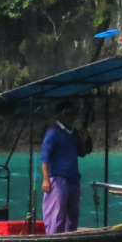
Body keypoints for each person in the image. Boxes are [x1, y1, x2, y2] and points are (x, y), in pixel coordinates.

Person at [40, 100, 92, 234]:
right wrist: (46, 180)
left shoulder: (73, 133)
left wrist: (84, 139)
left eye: (73, 114)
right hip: (58, 178)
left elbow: (82, 152)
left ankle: (70, 237)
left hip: (73, 178)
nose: (72, 117)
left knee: (73, 214)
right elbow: (45, 157)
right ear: (60, 115)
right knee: (57, 214)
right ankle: (54, 238)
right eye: (69, 114)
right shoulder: (53, 132)